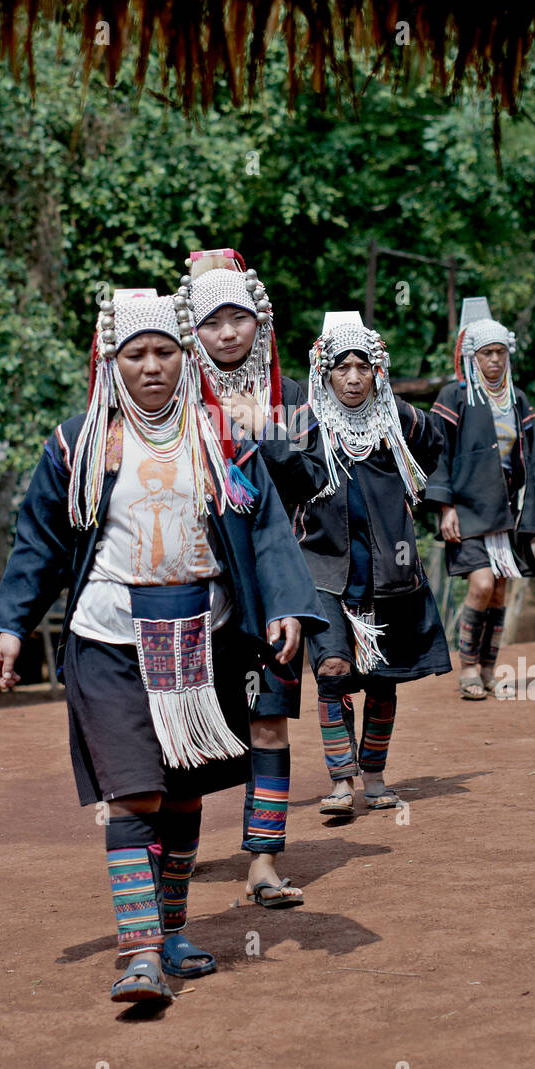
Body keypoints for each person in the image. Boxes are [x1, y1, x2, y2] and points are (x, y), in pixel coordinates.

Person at [0, 289, 326, 1006]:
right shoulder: (80, 444)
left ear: (186, 357)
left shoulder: (222, 438)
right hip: (109, 641)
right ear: (111, 360)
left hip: (202, 642)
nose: (149, 367)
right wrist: (12, 624)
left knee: (182, 794)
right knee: (135, 793)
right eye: (134, 354)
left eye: (164, 353)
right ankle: (139, 953)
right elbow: (39, 543)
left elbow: (264, 528)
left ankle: (172, 932)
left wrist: (288, 604)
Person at [179, 249, 328, 909]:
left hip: (272, 585)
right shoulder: (172, 395)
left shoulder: (289, 397)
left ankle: (263, 860)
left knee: (269, 722)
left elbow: (311, 480)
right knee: (181, 726)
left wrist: (262, 429)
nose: (229, 332)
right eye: (214, 321)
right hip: (193, 590)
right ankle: (164, 856)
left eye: (239, 316)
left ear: (258, 322)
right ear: (195, 330)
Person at [294, 311, 452, 816]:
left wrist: (394, 405)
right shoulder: (307, 425)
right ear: (326, 373)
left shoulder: (395, 423)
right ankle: (342, 780)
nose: (355, 377)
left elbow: (434, 445)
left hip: (389, 573)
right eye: (343, 367)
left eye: (365, 366)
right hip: (324, 571)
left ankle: (376, 778)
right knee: (333, 669)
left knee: (383, 682)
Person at [424, 299, 535, 699]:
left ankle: (487, 668)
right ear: (473, 355)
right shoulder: (455, 397)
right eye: (487, 353)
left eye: (501, 352)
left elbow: (534, 457)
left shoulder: (517, 400)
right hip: (467, 508)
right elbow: (438, 453)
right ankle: (466, 667)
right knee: (481, 584)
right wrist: (445, 506)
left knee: (500, 588)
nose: (495, 360)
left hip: (508, 508)